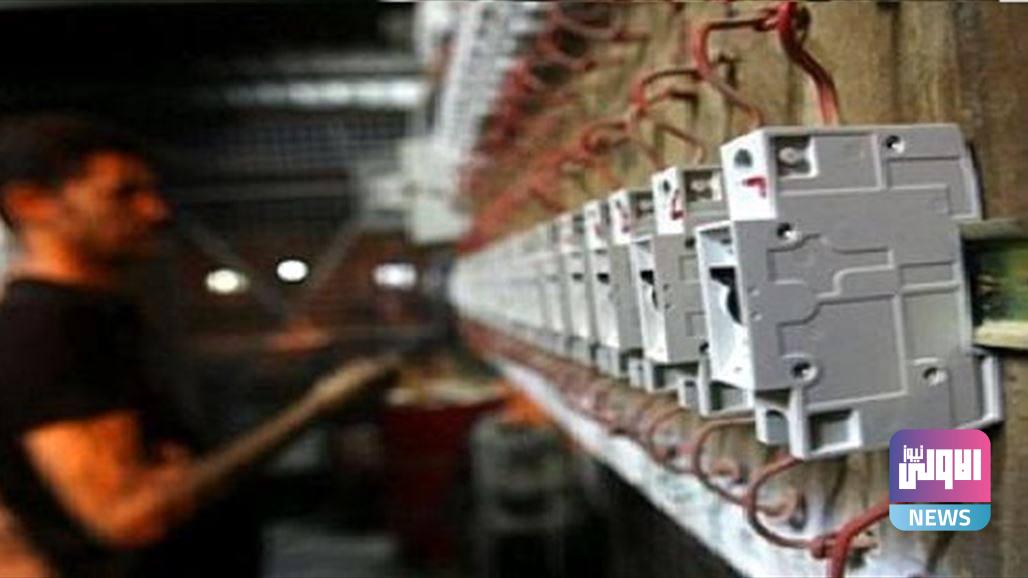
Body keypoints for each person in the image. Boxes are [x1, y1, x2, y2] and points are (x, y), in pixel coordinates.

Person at [0, 115, 396, 577]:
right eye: (123, 193)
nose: (155, 211)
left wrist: (181, 475)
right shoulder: (46, 329)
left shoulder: (95, 316)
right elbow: (130, 516)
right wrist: (317, 407)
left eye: (151, 191)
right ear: (31, 204)